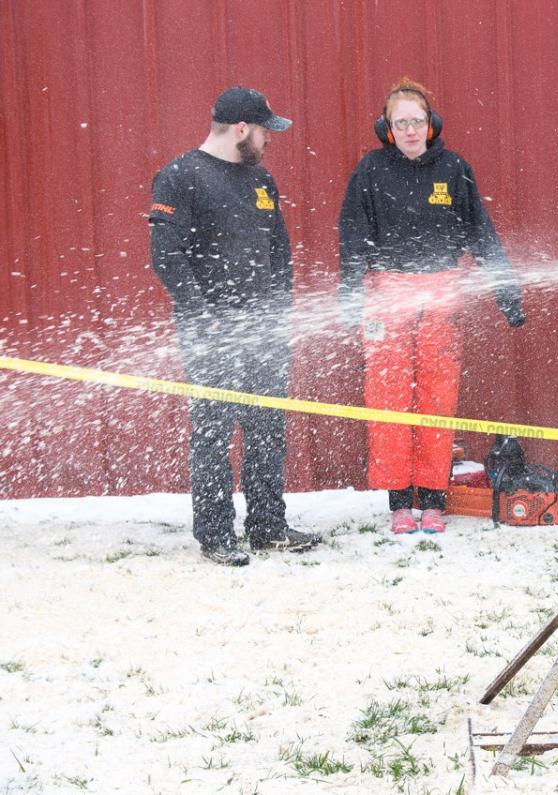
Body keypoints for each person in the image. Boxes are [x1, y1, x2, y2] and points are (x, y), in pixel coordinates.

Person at [338, 78, 525, 535]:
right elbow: (352, 236)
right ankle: (400, 500)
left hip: (442, 293)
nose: (409, 130)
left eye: (416, 121)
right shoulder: (370, 171)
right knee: (389, 397)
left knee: (437, 397)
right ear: (387, 127)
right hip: (387, 294)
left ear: (431, 123)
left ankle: (434, 499)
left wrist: (506, 292)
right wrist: (350, 294)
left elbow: (481, 233)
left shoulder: (453, 168)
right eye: (400, 123)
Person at [149, 87, 320, 566]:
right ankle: (216, 534)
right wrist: (204, 318)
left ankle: (268, 526)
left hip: (264, 331)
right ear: (242, 129)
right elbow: (166, 256)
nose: (269, 140)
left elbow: (279, 254)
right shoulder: (181, 177)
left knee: (268, 428)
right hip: (210, 333)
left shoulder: (263, 181)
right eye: (265, 130)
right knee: (213, 433)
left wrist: (280, 313)